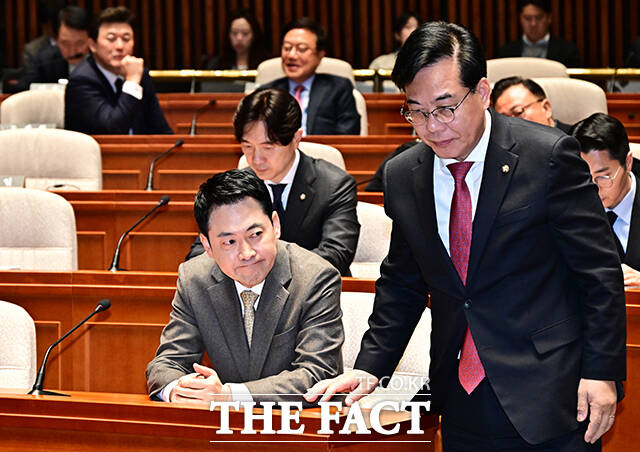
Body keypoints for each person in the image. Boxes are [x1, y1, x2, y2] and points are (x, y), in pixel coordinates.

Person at [306, 21, 626, 450]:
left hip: (552, 389)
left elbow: (598, 273)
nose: (432, 126)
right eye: (416, 111)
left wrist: (601, 372)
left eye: (445, 107)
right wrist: (369, 368)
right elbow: (402, 282)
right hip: (460, 394)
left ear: (482, 92)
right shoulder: (404, 174)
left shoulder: (548, 156)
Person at [146, 169, 344, 405]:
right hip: (223, 425)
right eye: (229, 241)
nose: (247, 253)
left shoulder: (316, 277)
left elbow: (318, 373)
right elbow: (167, 363)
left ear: (275, 225)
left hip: (296, 421)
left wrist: (229, 395)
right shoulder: (194, 279)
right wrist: (179, 390)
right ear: (207, 246)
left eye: (255, 234)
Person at [186, 88, 360, 276]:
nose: (256, 159)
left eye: (268, 147)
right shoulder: (236, 188)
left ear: (296, 138)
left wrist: (259, 269)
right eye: (247, 146)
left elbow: (336, 255)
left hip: (311, 288)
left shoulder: (333, 185)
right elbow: (199, 254)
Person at [64, 6, 172, 134]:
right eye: (111, 39)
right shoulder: (81, 80)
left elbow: (161, 129)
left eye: (126, 39)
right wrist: (132, 82)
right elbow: (113, 129)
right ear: (92, 45)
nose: (120, 46)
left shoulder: (140, 74)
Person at [259, 18, 360, 135]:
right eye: (287, 48)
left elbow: (348, 134)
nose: (291, 55)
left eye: (301, 49)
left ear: (320, 55)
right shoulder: (266, 92)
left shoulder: (338, 89)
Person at [573, 113, 640, 287]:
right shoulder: (569, 204)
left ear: (628, 162)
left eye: (603, 177)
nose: (593, 189)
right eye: (585, 177)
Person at [17, 5, 90, 91]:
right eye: (65, 44)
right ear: (56, 40)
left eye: (79, 43)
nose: (72, 52)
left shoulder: (101, 60)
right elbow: (21, 91)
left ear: (91, 41)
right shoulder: (44, 60)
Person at [496, 0, 581, 68]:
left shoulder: (567, 52)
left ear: (549, 18)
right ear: (520, 18)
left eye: (538, 18)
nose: (533, 24)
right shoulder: (505, 53)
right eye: (527, 18)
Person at [491, 76, 572, 132]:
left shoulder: (575, 141)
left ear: (546, 108)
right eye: (504, 119)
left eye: (518, 112)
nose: (511, 124)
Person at [204, 9, 269, 70]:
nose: (239, 38)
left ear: (254, 35)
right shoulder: (215, 65)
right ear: (228, 35)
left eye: (245, 33)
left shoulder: (266, 64)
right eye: (234, 33)